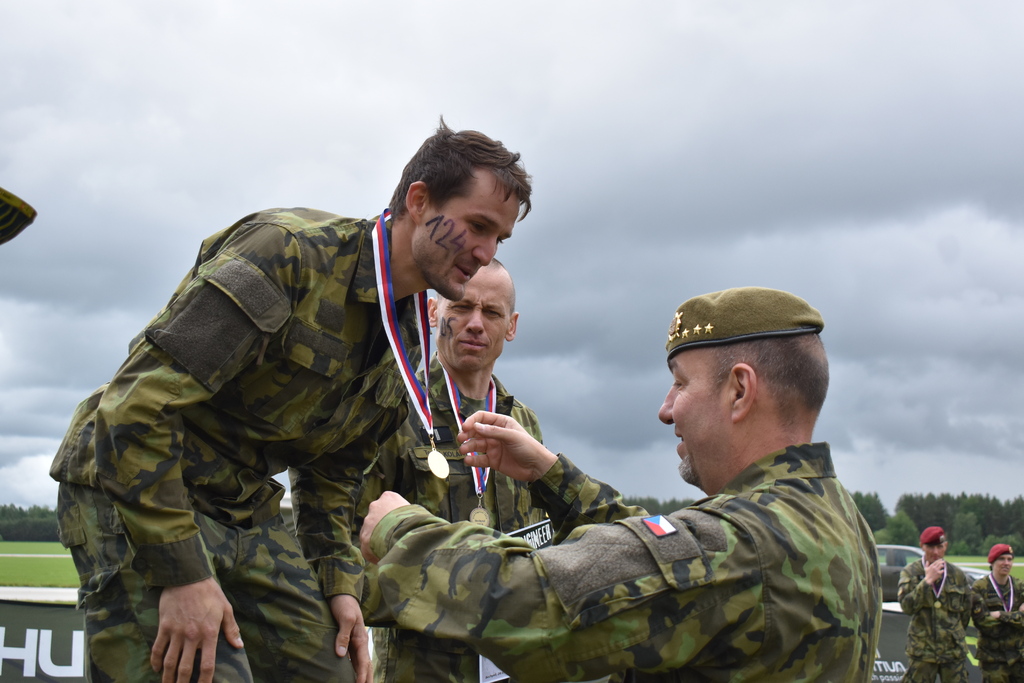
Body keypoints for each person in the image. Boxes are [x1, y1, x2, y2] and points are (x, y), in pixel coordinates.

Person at [48, 120, 532, 683]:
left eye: (498, 238)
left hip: (240, 505)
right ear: (419, 201)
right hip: (135, 487)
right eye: (476, 226)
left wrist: (339, 585)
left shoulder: (405, 335)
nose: (484, 252)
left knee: (329, 670)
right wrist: (181, 577)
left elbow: (333, 472)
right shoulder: (288, 255)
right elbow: (132, 410)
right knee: (195, 668)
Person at [360, 286, 882, 682]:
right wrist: (550, 472)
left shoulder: (740, 545)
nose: (666, 408)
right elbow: (656, 550)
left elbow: (538, 602)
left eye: (681, 382)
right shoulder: (834, 515)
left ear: (740, 390)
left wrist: (399, 530)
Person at [357, 258, 547, 682]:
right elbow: (352, 554)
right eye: (461, 307)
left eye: (492, 312)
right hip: (419, 670)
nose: (476, 324)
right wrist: (460, 594)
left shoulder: (524, 425)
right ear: (432, 312)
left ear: (511, 326)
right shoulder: (394, 413)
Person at [898, 526, 972, 682]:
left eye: (940, 547)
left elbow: (965, 613)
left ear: (946, 546)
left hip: (952, 651)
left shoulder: (957, 575)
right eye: (931, 547)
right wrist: (927, 582)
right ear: (922, 546)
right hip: (923, 651)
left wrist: (953, 634)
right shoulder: (911, 572)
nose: (936, 552)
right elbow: (907, 606)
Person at [971, 543, 1024, 682]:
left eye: (1009, 559)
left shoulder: (1020, 586)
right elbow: (983, 622)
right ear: (992, 561)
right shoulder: (980, 587)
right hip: (993, 658)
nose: (1006, 563)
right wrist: (1017, 617)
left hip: (1019, 657)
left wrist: (1001, 615)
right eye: (1002, 559)